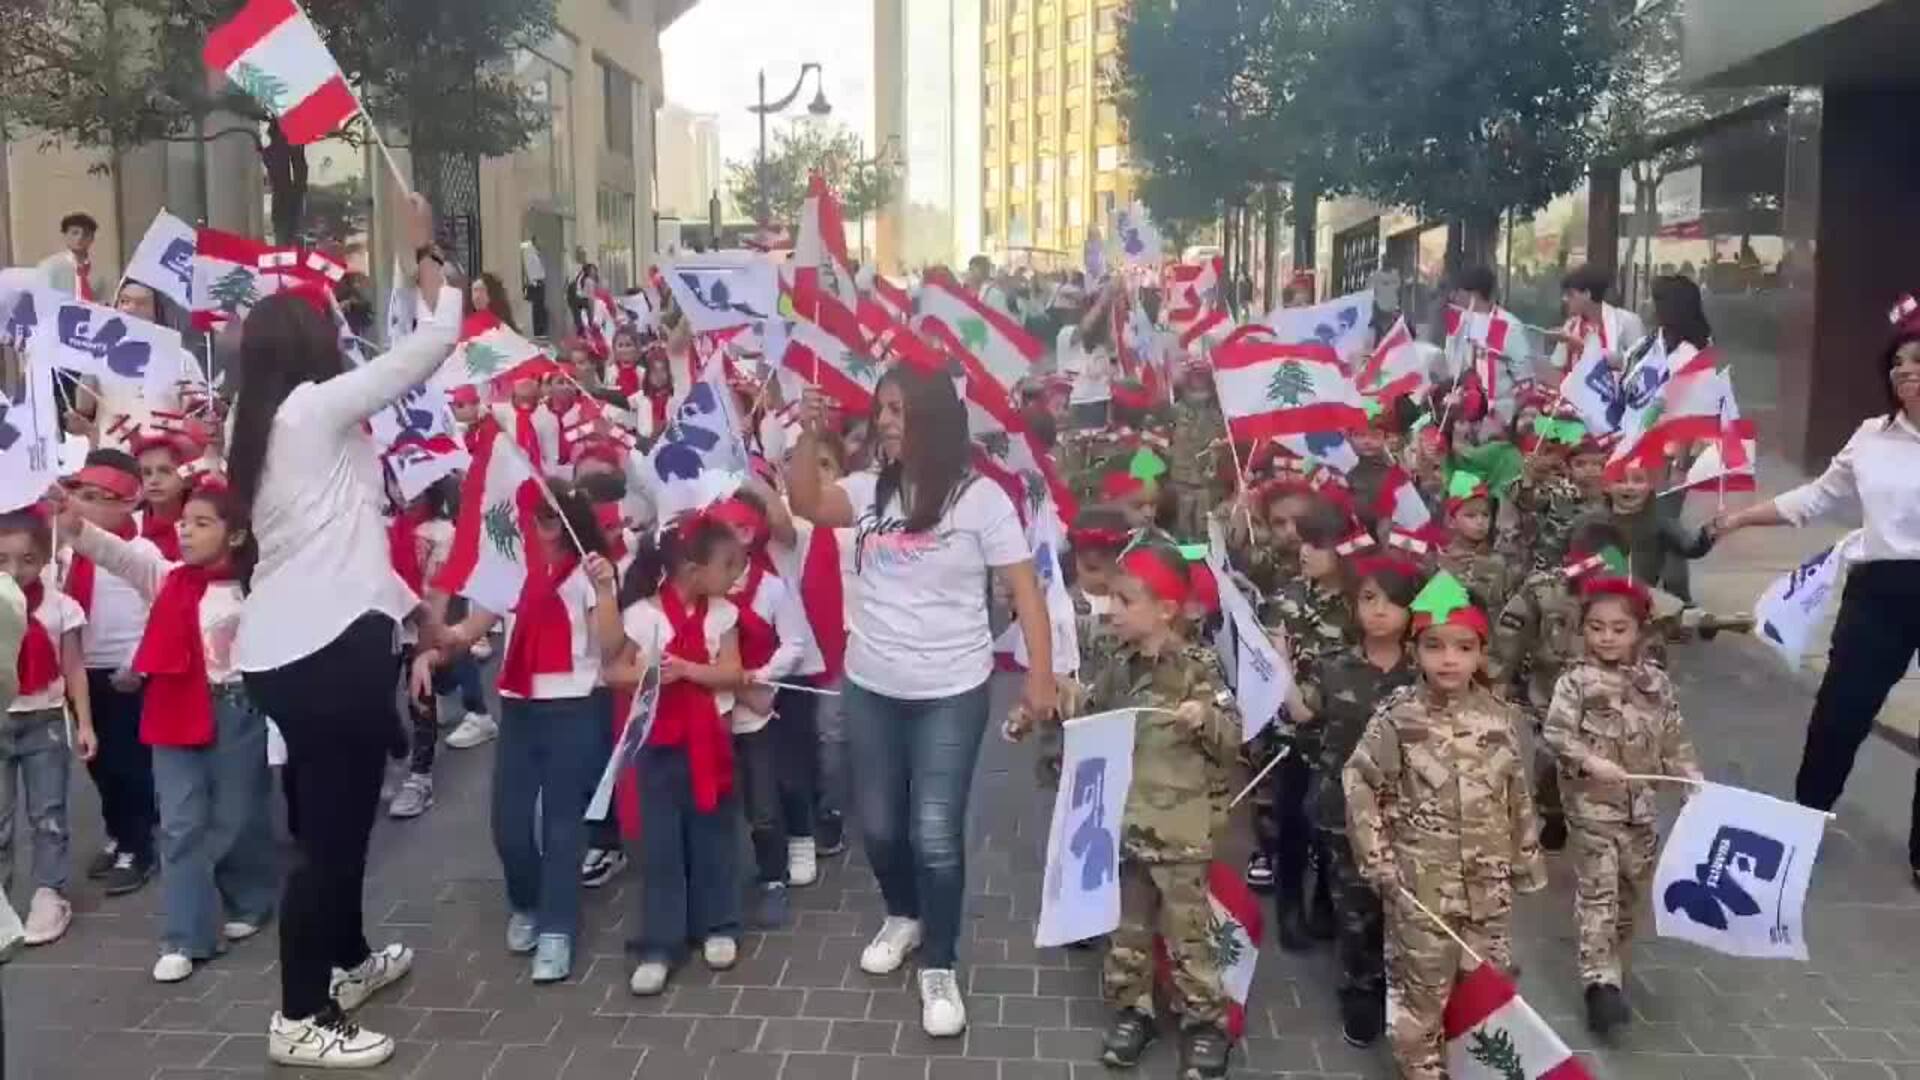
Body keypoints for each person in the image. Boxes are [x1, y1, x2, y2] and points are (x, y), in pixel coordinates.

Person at [228, 194, 451, 1069]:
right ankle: (298, 1014)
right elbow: (428, 347)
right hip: (322, 653)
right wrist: (426, 250)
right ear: (310, 346)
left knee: (348, 818)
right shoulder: (308, 411)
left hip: (309, 643)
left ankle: (348, 961)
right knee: (325, 835)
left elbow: (341, 535)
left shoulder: (258, 426)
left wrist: (410, 606)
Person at [789, 364, 1056, 1038]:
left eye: (897, 410)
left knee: (933, 834)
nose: (883, 420)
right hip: (871, 686)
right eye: (881, 409)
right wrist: (807, 432)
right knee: (878, 826)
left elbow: (1026, 593)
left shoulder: (981, 502)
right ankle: (903, 915)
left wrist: (1040, 679)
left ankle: (940, 964)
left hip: (950, 693)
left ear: (932, 420)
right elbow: (807, 505)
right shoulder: (867, 491)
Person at [1712, 313, 1920, 885]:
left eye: (1917, 362)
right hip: (1879, 590)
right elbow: (1816, 498)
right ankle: (1804, 819)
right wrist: (1740, 518)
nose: (1906, 372)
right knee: (1841, 711)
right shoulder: (1873, 436)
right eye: (1898, 363)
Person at [1019, 545, 1238, 1079]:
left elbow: (1234, 738)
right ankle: (1131, 1011)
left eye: (1125, 599)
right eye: (1112, 598)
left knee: (1189, 933)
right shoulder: (1116, 663)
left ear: (1165, 609)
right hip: (1120, 821)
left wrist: (1204, 717)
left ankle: (1205, 1023)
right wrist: (1049, 704)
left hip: (1179, 830)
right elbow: (1091, 711)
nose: (1112, 609)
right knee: (1129, 929)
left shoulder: (1199, 668)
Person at [57, 477, 280, 984]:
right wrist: (73, 520)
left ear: (237, 534)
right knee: (180, 824)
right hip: (173, 709)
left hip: (240, 709)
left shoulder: (259, 586)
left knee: (237, 814)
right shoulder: (168, 578)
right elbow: (117, 554)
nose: (187, 532)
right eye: (185, 523)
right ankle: (186, 935)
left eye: (203, 524)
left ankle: (250, 897)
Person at [1343, 571, 1546, 1080]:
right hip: (1420, 891)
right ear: (1416, 651)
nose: (1449, 659)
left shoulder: (1500, 719)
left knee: (1484, 990)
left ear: (1481, 652)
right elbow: (1360, 781)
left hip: (1488, 891)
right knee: (1421, 997)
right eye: (1434, 646)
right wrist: (1377, 858)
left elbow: (1517, 795)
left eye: (1463, 646)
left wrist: (1526, 863)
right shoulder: (1397, 718)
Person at [415, 484, 613, 984]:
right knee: (509, 822)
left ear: (569, 526)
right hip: (521, 707)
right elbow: (467, 631)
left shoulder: (589, 575)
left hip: (575, 705)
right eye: (532, 521)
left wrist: (608, 590)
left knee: (563, 824)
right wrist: (435, 641)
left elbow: (611, 647)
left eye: (548, 521)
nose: (537, 531)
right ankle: (525, 901)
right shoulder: (510, 574)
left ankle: (557, 927)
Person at [1542, 575, 1702, 1037]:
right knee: (1598, 890)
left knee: (1633, 889)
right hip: (1592, 806)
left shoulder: (1656, 682)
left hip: (1642, 806)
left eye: (1618, 628)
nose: (1606, 637)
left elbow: (1673, 736)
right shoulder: (1574, 681)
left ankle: (1613, 960)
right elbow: (1556, 734)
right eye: (1596, 628)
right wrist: (1590, 761)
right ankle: (1599, 984)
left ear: (1639, 631)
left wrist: (1690, 778)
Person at [613, 514, 751, 997]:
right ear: (693, 569)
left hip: (708, 739)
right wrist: (650, 673)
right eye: (728, 564)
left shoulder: (723, 616)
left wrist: (689, 669)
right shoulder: (643, 615)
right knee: (661, 845)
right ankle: (660, 943)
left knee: (714, 832)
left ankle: (719, 924)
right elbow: (615, 673)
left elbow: (732, 673)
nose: (737, 574)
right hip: (656, 743)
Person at [1311, 556, 1422, 1048]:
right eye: (1369, 598)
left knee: (1399, 902)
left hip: (1408, 810)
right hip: (1344, 807)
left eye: (1393, 601)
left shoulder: (1425, 669)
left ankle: (1401, 983)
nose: (1379, 611)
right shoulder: (1333, 663)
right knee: (1352, 900)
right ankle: (1360, 986)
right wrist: (1272, 664)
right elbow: (1302, 711)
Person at [62, 450, 162, 896]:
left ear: (128, 503)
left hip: (125, 673)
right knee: (98, 763)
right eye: (82, 496)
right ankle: (118, 831)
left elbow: (160, 612)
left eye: (101, 498)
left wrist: (140, 663)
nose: (88, 506)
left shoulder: (141, 552)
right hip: (80, 673)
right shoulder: (63, 551)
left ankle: (138, 845)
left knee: (129, 764)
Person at [0, 509, 94, 947]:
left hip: (45, 723)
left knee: (48, 814)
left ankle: (48, 892)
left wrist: (85, 723)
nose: (15, 571)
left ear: (46, 558)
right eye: (2, 560)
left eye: (27, 559)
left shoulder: (61, 608)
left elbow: (74, 668)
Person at [1549, 264, 1646, 373]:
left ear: (1587, 294)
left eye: (1570, 294)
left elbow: (1641, 365)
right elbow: (1557, 365)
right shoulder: (1572, 324)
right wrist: (1563, 342)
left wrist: (1583, 348)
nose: (1565, 299)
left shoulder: (1627, 322)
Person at [37, 211, 101, 301]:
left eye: (86, 234)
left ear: (92, 238)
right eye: (75, 233)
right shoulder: (50, 266)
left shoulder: (98, 272)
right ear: (65, 236)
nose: (80, 238)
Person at [521, 239, 550, 339]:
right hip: (536, 284)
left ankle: (543, 330)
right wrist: (533, 282)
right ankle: (539, 332)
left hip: (541, 283)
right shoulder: (528, 251)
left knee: (542, 308)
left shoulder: (538, 252)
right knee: (538, 308)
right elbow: (529, 269)